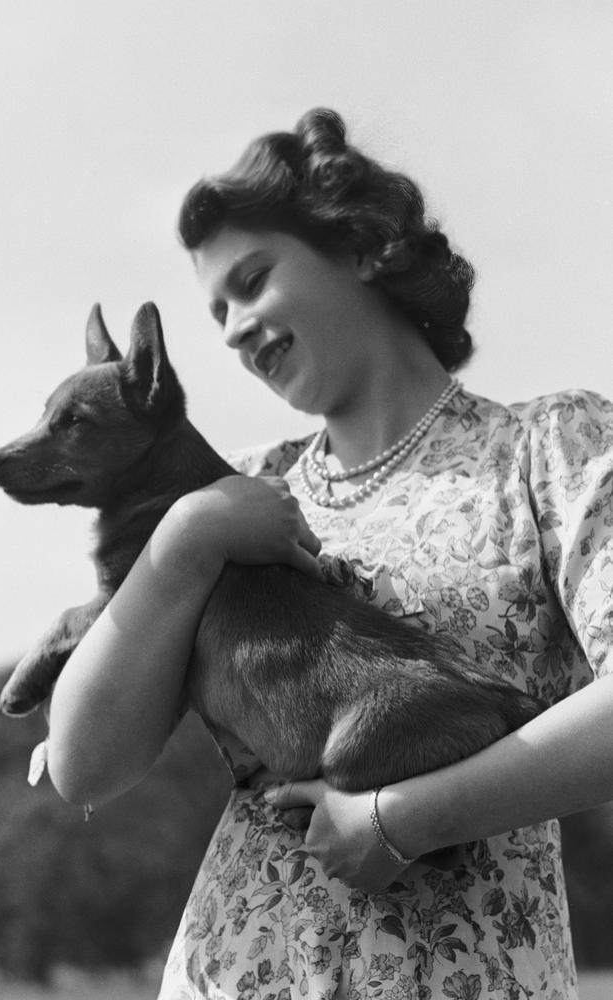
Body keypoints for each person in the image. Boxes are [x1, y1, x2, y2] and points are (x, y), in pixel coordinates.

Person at [46, 109, 613, 999]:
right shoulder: (228, 499)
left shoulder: (550, 447)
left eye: (253, 279)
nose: (231, 329)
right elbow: (85, 767)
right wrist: (186, 542)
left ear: (361, 247)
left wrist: (404, 817)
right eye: (216, 311)